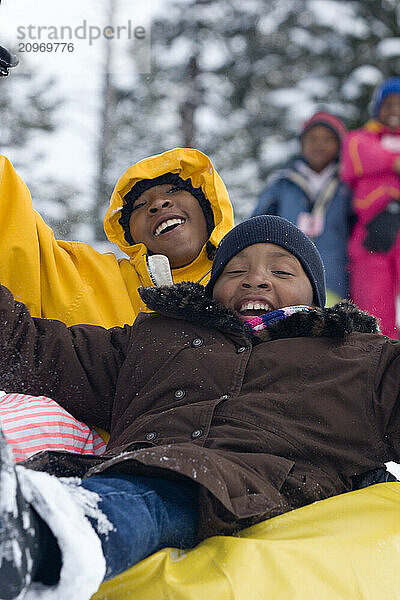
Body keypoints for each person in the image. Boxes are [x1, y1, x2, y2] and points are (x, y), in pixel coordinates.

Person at [1, 215, 400, 600]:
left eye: (282, 272)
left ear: (315, 294)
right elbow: (38, 348)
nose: (256, 278)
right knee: (145, 484)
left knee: (157, 492)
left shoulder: (360, 358)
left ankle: (36, 535)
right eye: (235, 271)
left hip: (257, 490)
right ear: (211, 289)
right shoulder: (156, 339)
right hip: (133, 470)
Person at [0, 147, 234, 460]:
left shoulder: (250, 287)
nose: (158, 204)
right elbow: (15, 229)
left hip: (216, 466)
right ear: (129, 233)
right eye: (140, 205)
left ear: (208, 207)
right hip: (84, 457)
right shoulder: (86, 274)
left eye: (174, 190)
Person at [253, 111, 352, 305]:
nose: (319, 145)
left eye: (328, 139)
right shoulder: (282, 182)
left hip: (336, 278)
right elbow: (258, 224)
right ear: (302, 143)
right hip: (285, 278)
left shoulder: (348, 184)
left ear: (340, 145)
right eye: (312, 139)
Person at [341, 77, 400, 339]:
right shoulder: (360, 138)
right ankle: (376, 358)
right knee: (374, 307)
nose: (394, 110)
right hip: (371, 233)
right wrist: (394, 162)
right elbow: (358, 160)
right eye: (389, 104)